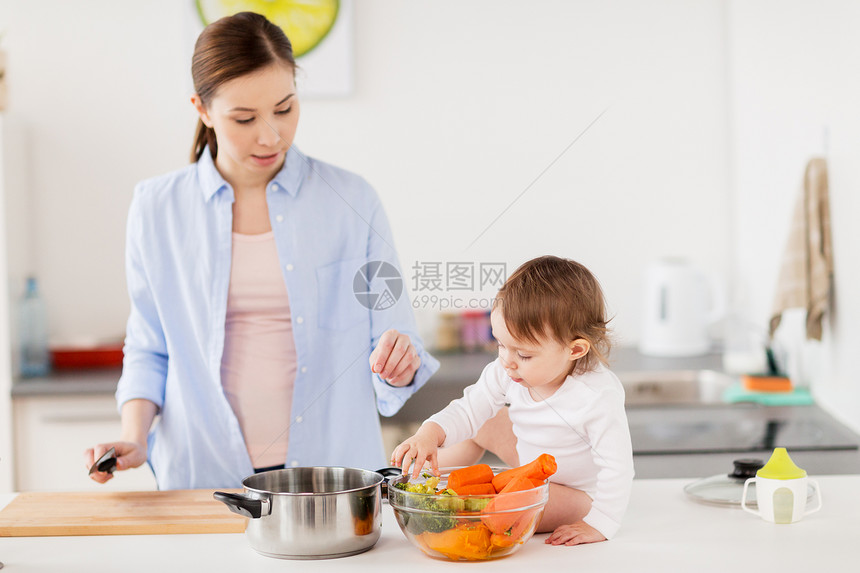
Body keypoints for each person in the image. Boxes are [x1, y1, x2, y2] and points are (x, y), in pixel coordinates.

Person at [85, 11, 438, 489]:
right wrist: (135, 436)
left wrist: (399, 364)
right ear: (203, 109)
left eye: (285, 108)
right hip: (202, 474)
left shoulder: (353, 201)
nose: (271, 135)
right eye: (245, 118)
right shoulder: (156, 208)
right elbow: (150, 346)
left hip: (331, 478)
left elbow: (396, 338)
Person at [391, 255, 634, 546]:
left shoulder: (595, 396)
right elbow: (469, 410)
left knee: (499, 508)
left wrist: (599, 523)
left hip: (573, 493)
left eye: (524, 354)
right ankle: (420, 482)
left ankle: (456, 507)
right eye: (500, 344)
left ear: (575, 350)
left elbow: (617, 467)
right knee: (483, 421)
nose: (507, 362)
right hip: (530, 463)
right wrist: (428, 434)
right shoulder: (508, 369)